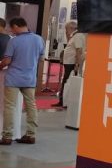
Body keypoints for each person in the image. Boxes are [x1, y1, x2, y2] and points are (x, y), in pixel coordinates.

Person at [0, 17, 46, 145]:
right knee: (31, 106)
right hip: (30, 78)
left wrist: (1, 66)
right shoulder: (39, 39)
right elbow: (42, 58)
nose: (11, 31)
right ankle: (31, 135)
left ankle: (7, 136)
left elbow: (7, 61)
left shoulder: (14, 41)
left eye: (11, 28)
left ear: (16, 26)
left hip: (13, 79)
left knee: (10, 106)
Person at [57, 21, 85, 110]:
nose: (66, 31)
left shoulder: (78, 36)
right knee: (65, 81)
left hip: (72, 63)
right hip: (69, 63)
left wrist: (77, 64)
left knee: (67, 82)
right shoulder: (74, 36)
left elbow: (79, 50)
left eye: (66, 29)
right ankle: (63, 100)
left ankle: (65, 101)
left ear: (71, 28)